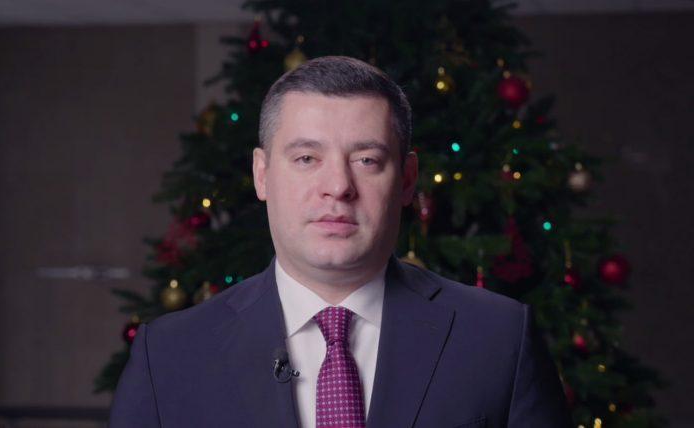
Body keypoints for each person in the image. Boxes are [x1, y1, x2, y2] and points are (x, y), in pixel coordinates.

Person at [109, 56, 571, 428]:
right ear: (262, 174)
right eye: (306, 158)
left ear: (407, 179)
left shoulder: (499, 338)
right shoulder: (168, 355)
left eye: (367, 160)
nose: (338, 187)